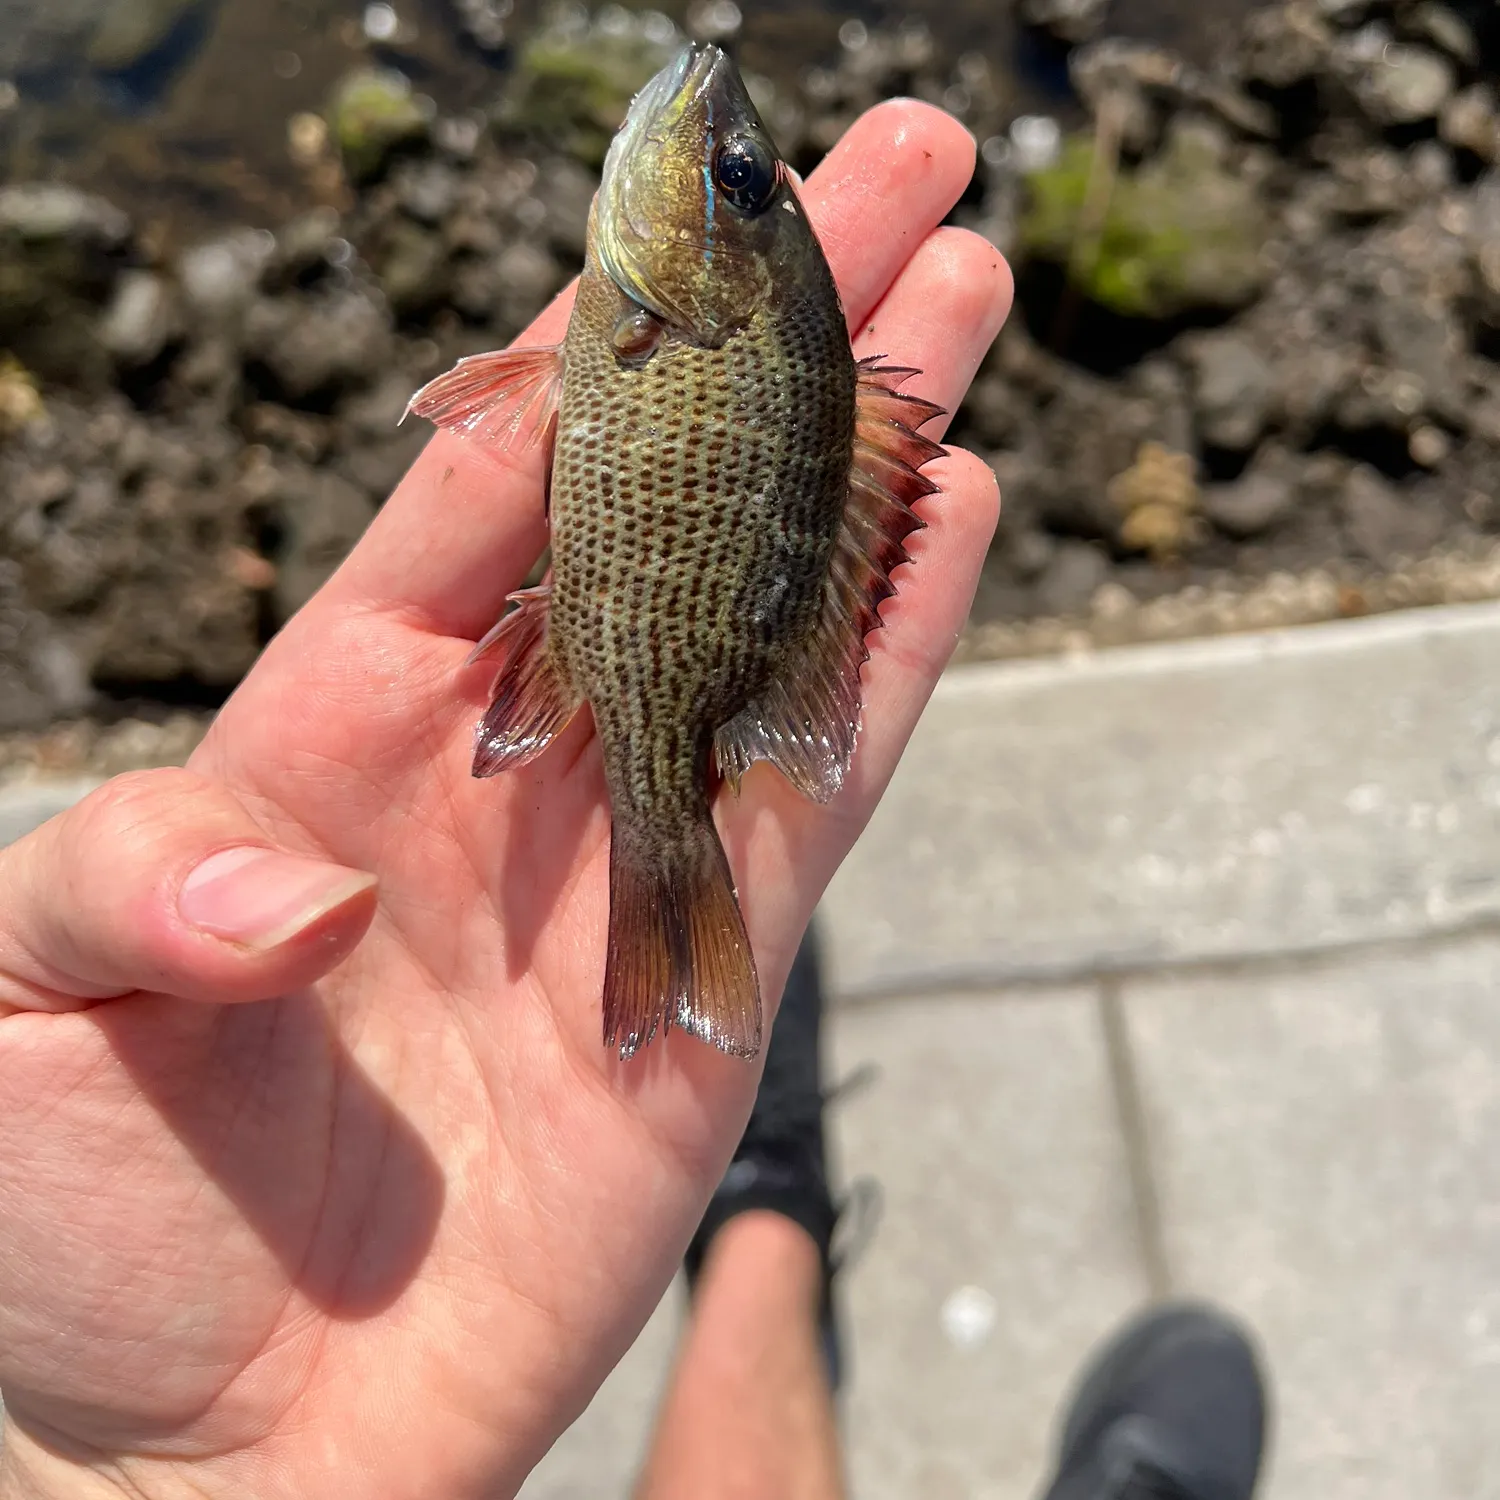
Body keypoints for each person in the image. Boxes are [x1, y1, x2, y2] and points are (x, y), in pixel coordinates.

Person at [0, 93, 1262, 1500]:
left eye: (735, 174)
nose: (711, 110)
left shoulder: (663, 321)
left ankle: (756, 1205)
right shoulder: (662, 315)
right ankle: (767, 1214)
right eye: (743, 172)